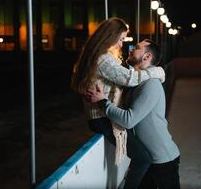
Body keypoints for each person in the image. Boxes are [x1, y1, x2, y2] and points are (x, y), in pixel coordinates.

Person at [70, 17, 165, 189]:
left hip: (100, 115)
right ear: (110, 37)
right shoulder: (103, 59)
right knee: (143, 158)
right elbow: (130, 78)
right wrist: (157, 71)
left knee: (141, 154)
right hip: (101, 117)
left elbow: (121, 74)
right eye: (121, 39)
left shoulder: (98, 56)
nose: (122, 44)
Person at [87, 39, 181, 189]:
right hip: (148, 158)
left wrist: (103, 103)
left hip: (163, 159)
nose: (130, 49)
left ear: (147, 57)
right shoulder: (136, 82)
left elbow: (128, 119)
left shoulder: (151, 85)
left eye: (136, 48)